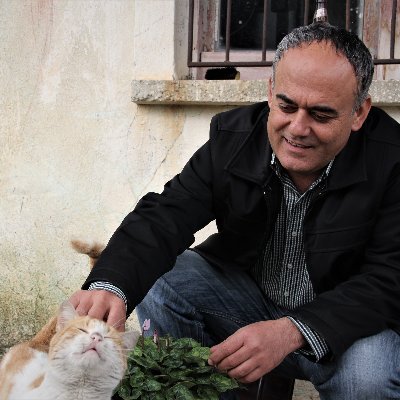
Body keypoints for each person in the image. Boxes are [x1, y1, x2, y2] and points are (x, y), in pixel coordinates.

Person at [70, 23, 400, 399]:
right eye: (287, 106)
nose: (297, 128)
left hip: (347, 328)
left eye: (321, 115)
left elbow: (390, 278)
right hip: (246, 306)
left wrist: (292, 331)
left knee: (369, 379)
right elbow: (166, 215)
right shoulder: (233, 138)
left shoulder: (392, 161)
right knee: (166, 281)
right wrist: (110, 285)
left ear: (359, 112)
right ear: (270, 91)